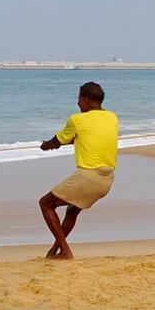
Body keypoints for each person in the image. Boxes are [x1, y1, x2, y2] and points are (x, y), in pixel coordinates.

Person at [37, 81, 118, 260]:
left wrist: (46, 145)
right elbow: (92, 136)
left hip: (88, 178)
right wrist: (69, 141)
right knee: (72, 210)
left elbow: (57, 140)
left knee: (45, 204)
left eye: (79, 99)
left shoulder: (77, 120)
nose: (78, 103)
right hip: (107, 181)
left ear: (86, 99)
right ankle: (54, 252)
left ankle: (65, 251)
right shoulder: (112, 117)